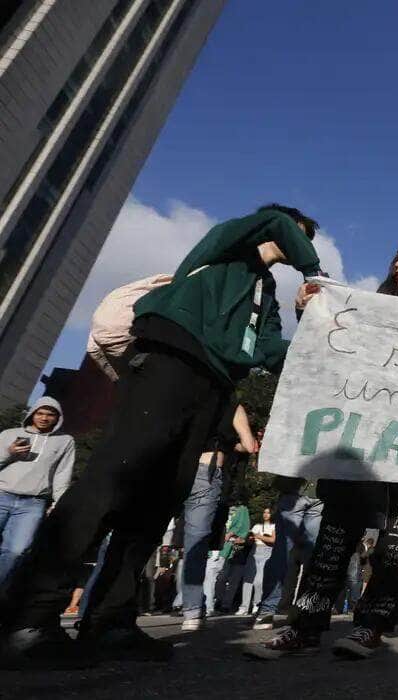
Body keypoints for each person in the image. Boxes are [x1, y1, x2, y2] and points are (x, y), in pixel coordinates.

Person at [0, 204, 322, 670]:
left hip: (214, 386)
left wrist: (314, 322)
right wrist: (316, 270)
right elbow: (271, 225)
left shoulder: (265, 293)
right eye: (301, 236)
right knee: (112, 479)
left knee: (157, 500)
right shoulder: (230, 246)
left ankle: (111, 620)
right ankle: (28, 616)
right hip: (170, 358)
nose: (298, 246)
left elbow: (271, 353)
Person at [249, 238, 398, 660]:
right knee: (337, 531)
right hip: (359, 438)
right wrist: (307, 312)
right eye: (396, 256)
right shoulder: (369, 305)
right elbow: (331, 348)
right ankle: (305, 625)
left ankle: (372, 625)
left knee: (397, 541)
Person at [179, 403, 258, 631]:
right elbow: (249, 445)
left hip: (174, 463)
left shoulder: (187, 392)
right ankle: (192, 611)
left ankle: (103, 605)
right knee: (196, 540)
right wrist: (229, 444)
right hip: (206, 467)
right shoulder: (230, 405)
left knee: (143, 532)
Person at [0, 398, 74, 586]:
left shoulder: (65, 441)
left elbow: (62, 475)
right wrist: (9, 453)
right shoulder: (9, 434)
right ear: (32, 414)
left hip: (33, 503)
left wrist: (59, 504)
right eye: (40, 413)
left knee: (17, 551)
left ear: (58, 418)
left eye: (50, 414)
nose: (44, 418)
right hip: (2, 494)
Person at [252, 476, 323, 630]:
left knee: (282, 552)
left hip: (294, 486)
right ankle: (304, 610)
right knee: (312, 556)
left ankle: (269, 609)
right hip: (319, 490)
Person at [237, 507, 276, 616]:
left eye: (268, 512)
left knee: (259, 582)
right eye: (264, 512)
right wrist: (245, 540)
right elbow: (249, 539)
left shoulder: (274, 526)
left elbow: (273, 540)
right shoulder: (257, 526)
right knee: (247, 581)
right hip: (254, 552)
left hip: (266, 553)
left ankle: (256, 605)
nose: (266, 514)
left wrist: (259, 536)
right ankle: (244, 607)